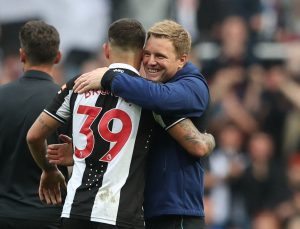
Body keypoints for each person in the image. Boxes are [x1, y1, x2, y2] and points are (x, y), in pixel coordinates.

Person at [27, 18, 214, 229]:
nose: (151, 61)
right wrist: (85, 151)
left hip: (175, 210)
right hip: (135, 212)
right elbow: (195, 143)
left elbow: (34, 135)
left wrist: (110, 77)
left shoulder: (185, 87)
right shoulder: (142, 92)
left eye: (160, 56)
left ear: (182, 60)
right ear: (138, 53)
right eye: (147, 54)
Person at [0, 20, 69, 229]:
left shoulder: (1, 97)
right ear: (58, 57)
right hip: (49, 214)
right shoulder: (67, 100)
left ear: (22, 55)